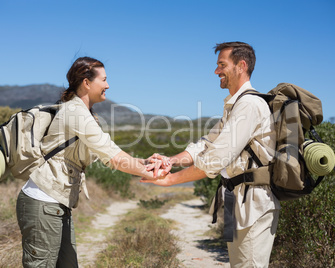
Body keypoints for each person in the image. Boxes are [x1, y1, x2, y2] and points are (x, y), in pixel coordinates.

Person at [141, 42, 281, 267]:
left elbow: (215, 160)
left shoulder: (250, 106)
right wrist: (171, 161)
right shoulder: (235, 106)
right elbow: (205, 145)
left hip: (253, 204)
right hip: (233, 200)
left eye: (221, 65)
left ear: (241, 66)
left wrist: (171, 180)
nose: (216, 71)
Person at [16, 56, 156, 267]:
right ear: (87, 82)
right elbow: (113, 156)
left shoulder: (85, 115)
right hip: (43, 200)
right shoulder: (75, 112)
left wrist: (144, 163)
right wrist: (155, 174)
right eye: (104, 80)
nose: (108, 85)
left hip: (57, 202)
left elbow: (108, 155)